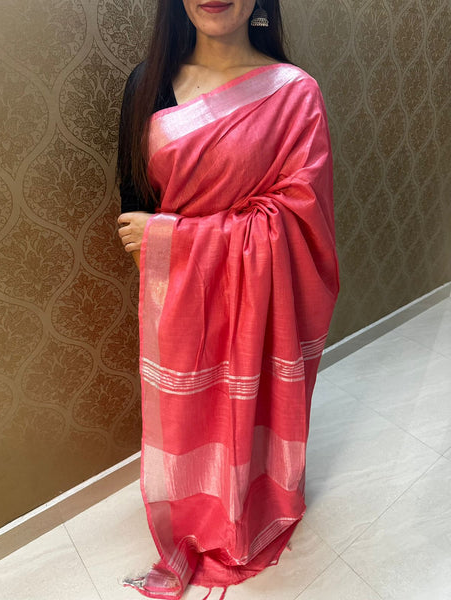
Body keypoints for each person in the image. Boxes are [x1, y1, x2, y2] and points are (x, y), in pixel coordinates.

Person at [116, 0, 340, 598]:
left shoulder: (294, 93)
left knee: (250, 409)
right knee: (188, 418)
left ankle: (251, 507)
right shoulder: (148, 84)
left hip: (262, 310)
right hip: (178, 304)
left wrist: (183, 240)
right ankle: (197, 518)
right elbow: (135, 209)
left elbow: (304, 219)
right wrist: (172, 261)